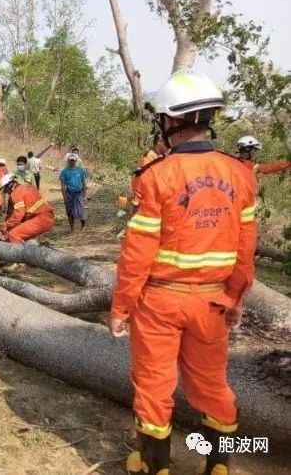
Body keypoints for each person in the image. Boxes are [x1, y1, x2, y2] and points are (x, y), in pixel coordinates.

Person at [109, 69, 257, 475]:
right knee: (212, 386)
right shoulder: (240, 175)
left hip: (159, 300)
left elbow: (138, 252)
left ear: (170, 120)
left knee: (155, 386)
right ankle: (219, 467)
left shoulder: (156, 176)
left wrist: (121, 305)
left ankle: (155, 468)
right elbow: (246, 251)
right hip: (213, 301)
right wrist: (235, 297)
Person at [0, 174, 55, 243]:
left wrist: (6, 224)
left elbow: (19, 214)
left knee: (13, 235)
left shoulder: (16, 192)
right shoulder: (27, 186)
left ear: (10, 185)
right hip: (47, 217)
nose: (7, 193)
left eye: (6, 190)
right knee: (22, 237)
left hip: (40, 219)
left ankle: (18, 253)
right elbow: (25, 213)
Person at [59, 153, 87, 232]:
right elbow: (62, 186)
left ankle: (83, 227)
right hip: (69, 193)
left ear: (76, 161)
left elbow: (84, 183)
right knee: (70, 212)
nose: (72, 162)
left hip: (79, 193)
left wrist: (84, 195)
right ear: (68, 160)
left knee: (81, 211)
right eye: (70, 160)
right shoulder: (64, 171)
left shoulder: (80, 171)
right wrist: (65, 198)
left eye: (73, 160)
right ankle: (72, 229)